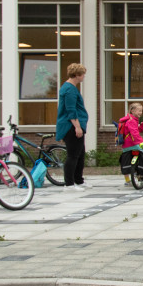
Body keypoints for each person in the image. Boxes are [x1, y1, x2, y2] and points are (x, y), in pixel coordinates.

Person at [56, 63, 90, 191]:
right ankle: (69, 184)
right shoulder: (69, 89)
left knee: (80, 154)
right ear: (76, 75)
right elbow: (71, 110)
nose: (83, 77)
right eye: (82, 74)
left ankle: (78, 180)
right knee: (73, 155)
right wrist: (77, 127)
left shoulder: (71, 88)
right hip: (70, 126)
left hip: (75, 125)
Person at [118, 102, 143, 186]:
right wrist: (141, 143)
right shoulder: (131, 121)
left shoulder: (129, 120)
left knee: (126, 161)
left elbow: (137, 130)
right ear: (132, 111)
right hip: (133, 144)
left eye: (141, 111)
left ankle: (127, 180)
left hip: (125, 145)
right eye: (139, 111)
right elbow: (134, 133)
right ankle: (140, 176)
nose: (140, 112)